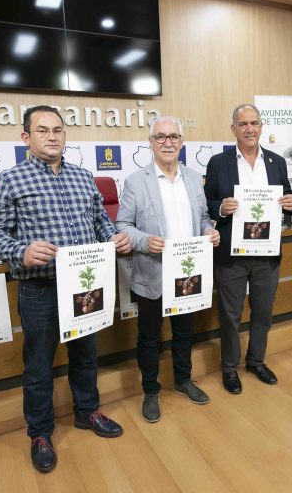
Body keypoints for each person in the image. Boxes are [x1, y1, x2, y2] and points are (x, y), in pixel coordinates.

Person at [0, 105, 131, 473]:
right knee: (38, 366)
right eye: (43, 130)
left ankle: (87, 412)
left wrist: (115, 237)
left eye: (58, 130)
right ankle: (40, 433)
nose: (52, 136)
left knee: (86, 355)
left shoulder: (84, 178)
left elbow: (100, 221)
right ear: (26, 138)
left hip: (84, 284)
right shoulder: (9, 180)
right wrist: (22, 250)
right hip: (40, 289)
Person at [115, 116, 220, 422]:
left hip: (187, 273)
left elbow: (202, 218)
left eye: (173, 136)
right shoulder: (136, 181)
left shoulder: (193, 178)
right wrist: (145, 241)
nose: (167, 142)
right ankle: (150, 390)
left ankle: (184, 380)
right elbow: (122, 226)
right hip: (152, 274)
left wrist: (208, 231)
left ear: (182, 142)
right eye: (160, 137)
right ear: (150, 143)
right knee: (149, 338)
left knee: (184, 332)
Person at [205, 104, 292, 394]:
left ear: (261, 126)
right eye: (242, 124)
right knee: (230, 314)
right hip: (232, 253)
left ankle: (256, 361)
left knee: (263, 312)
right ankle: (229, 367)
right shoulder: (218, 163)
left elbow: (289, 198)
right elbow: (205, 202)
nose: (249, 129)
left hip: (267, 253)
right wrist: (220, 207)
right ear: (233, 129)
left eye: (254, 123)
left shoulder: (276, 162)